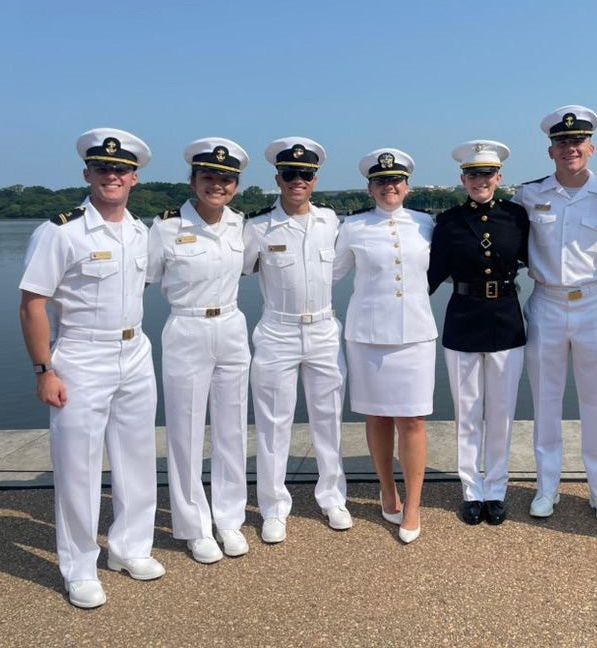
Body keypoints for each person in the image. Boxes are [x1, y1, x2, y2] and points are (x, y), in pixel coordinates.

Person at [19, 128, 165, 609]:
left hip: (135, 352)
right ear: (87, 173)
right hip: (80, 356)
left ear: (134, 178)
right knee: (78, 468)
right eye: (103, 168)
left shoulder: (140, 232)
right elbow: (33, 304)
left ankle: (129, 549)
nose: (112, 175)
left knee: (138, 459)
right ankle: (79, 567)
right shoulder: (60, 231)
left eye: (121, 169)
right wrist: (44, 369)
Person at [514, 106, 597, 524]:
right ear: (551, 151)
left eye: (577, 142)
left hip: (594, 304)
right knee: (545, 401)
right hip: (546, 303)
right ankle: (547, 487)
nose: (570, 149)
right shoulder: (530, 195)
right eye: (562, 143)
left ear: (591, 147)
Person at [147, 138, 251, 564]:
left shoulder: (239, 224)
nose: (217, 185)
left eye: (226, 180)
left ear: (236, 186)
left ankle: (229, 518)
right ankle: (193, 526)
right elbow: (144, 280)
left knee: (232, 429)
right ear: (193, 180)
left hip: (231, 325)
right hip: (187, 326)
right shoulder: (166, 227)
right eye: (208, 177)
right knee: (186, 432)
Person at [243, 137, 351, 544]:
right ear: (278, 178)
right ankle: (273, 507)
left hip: (323, 329)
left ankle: (332, 496)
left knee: (329, 419)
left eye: (305, 174)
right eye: (290, 174)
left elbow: (337, 272)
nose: (297, 181)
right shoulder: (257, 227)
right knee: (273, 423)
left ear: (315, 179)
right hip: (278, 330)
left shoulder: (331, 222)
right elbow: (233, 270)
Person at [333, 148, 436, 543]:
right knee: (376, 417)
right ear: (370, 187)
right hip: (368, 335)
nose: (388, 186)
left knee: (413, 419)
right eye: (380, 181)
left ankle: (413, 503)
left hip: (415, 334)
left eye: (395, 180)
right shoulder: (353, 227)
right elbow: (329, 276)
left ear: (407, 186)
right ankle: (387, 490)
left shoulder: (426, 224)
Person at [427, 140, 529, 526]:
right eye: (472, 174)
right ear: (463, 179)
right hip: (464, 320)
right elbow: (432, 276)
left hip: (505, 318)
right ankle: (472, 490)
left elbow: (540, 260)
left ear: (498, 177)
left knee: (501, 413)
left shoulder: (517, 217)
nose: (480, 180)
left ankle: (497, 490)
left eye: (487, 173)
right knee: (468, 412)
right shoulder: (449, 221)